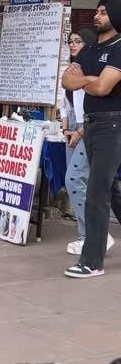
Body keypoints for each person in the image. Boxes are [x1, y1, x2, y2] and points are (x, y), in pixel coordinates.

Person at [62, 0, 121, 278]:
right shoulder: (91, 50)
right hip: (92, 124)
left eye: (103, 12)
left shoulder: (119, 48)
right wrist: (89, 80)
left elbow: (104, 87)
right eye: (96, 11)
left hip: (113, 125)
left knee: (97, 192)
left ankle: (92, 261)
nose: (97, 16)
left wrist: (84, 80)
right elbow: (67, 80)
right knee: (110, 188)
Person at [60, 29, 111, 257]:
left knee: (74, 179)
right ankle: (88, 235)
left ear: (88, 43)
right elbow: (65, 102)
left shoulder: (93, 67)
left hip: (88, 128)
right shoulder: (72, 67)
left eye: (78, 41)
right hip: (72, 127)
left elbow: (93, 103)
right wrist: (65, 129)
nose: (73, 45)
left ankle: (95, 236)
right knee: (80, 182)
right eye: (70, 41)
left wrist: (79, 132)